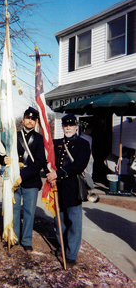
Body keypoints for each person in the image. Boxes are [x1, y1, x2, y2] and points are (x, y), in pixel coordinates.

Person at [46, 113, 90, 268]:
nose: (68, 128)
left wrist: (57, 174)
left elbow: (79, 165)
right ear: (62, 127)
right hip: (58, 188)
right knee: (59, 221)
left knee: (73, 223)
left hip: (73, 188)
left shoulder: (83, 144)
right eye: (65, 125)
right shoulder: (57, 143)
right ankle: (61, 247)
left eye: (71, 125)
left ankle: (71, 254)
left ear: (76, 127)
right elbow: (47, 150)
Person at [4, 107, 46, 252]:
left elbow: (40, 161)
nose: (30, 121)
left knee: (29, 212)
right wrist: (4, 159)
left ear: (36, 122)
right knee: (14, 210)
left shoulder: (40, 139)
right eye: (27, 118)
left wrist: (23, 175)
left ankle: (26, 240)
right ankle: (14, 237)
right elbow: (2, 154)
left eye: (33, 119)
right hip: (14, 178)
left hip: (30, 179)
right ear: (23, 119)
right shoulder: (13, 136)